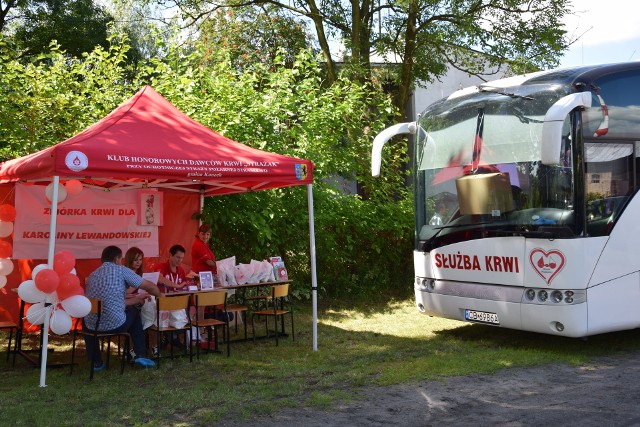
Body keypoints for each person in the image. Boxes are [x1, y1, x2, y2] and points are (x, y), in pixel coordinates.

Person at [84, 245, 161, 371]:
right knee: (135, 312)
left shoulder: (92, 275)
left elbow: (107, 301)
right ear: (116, 259)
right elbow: (149, 286)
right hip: (115, 324)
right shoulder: (121, 270)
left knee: (87, 320)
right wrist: (160, 295)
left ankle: (96, 362)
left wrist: (134, 299)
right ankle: (140, 354)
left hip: (93, 326)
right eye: (121, 259)